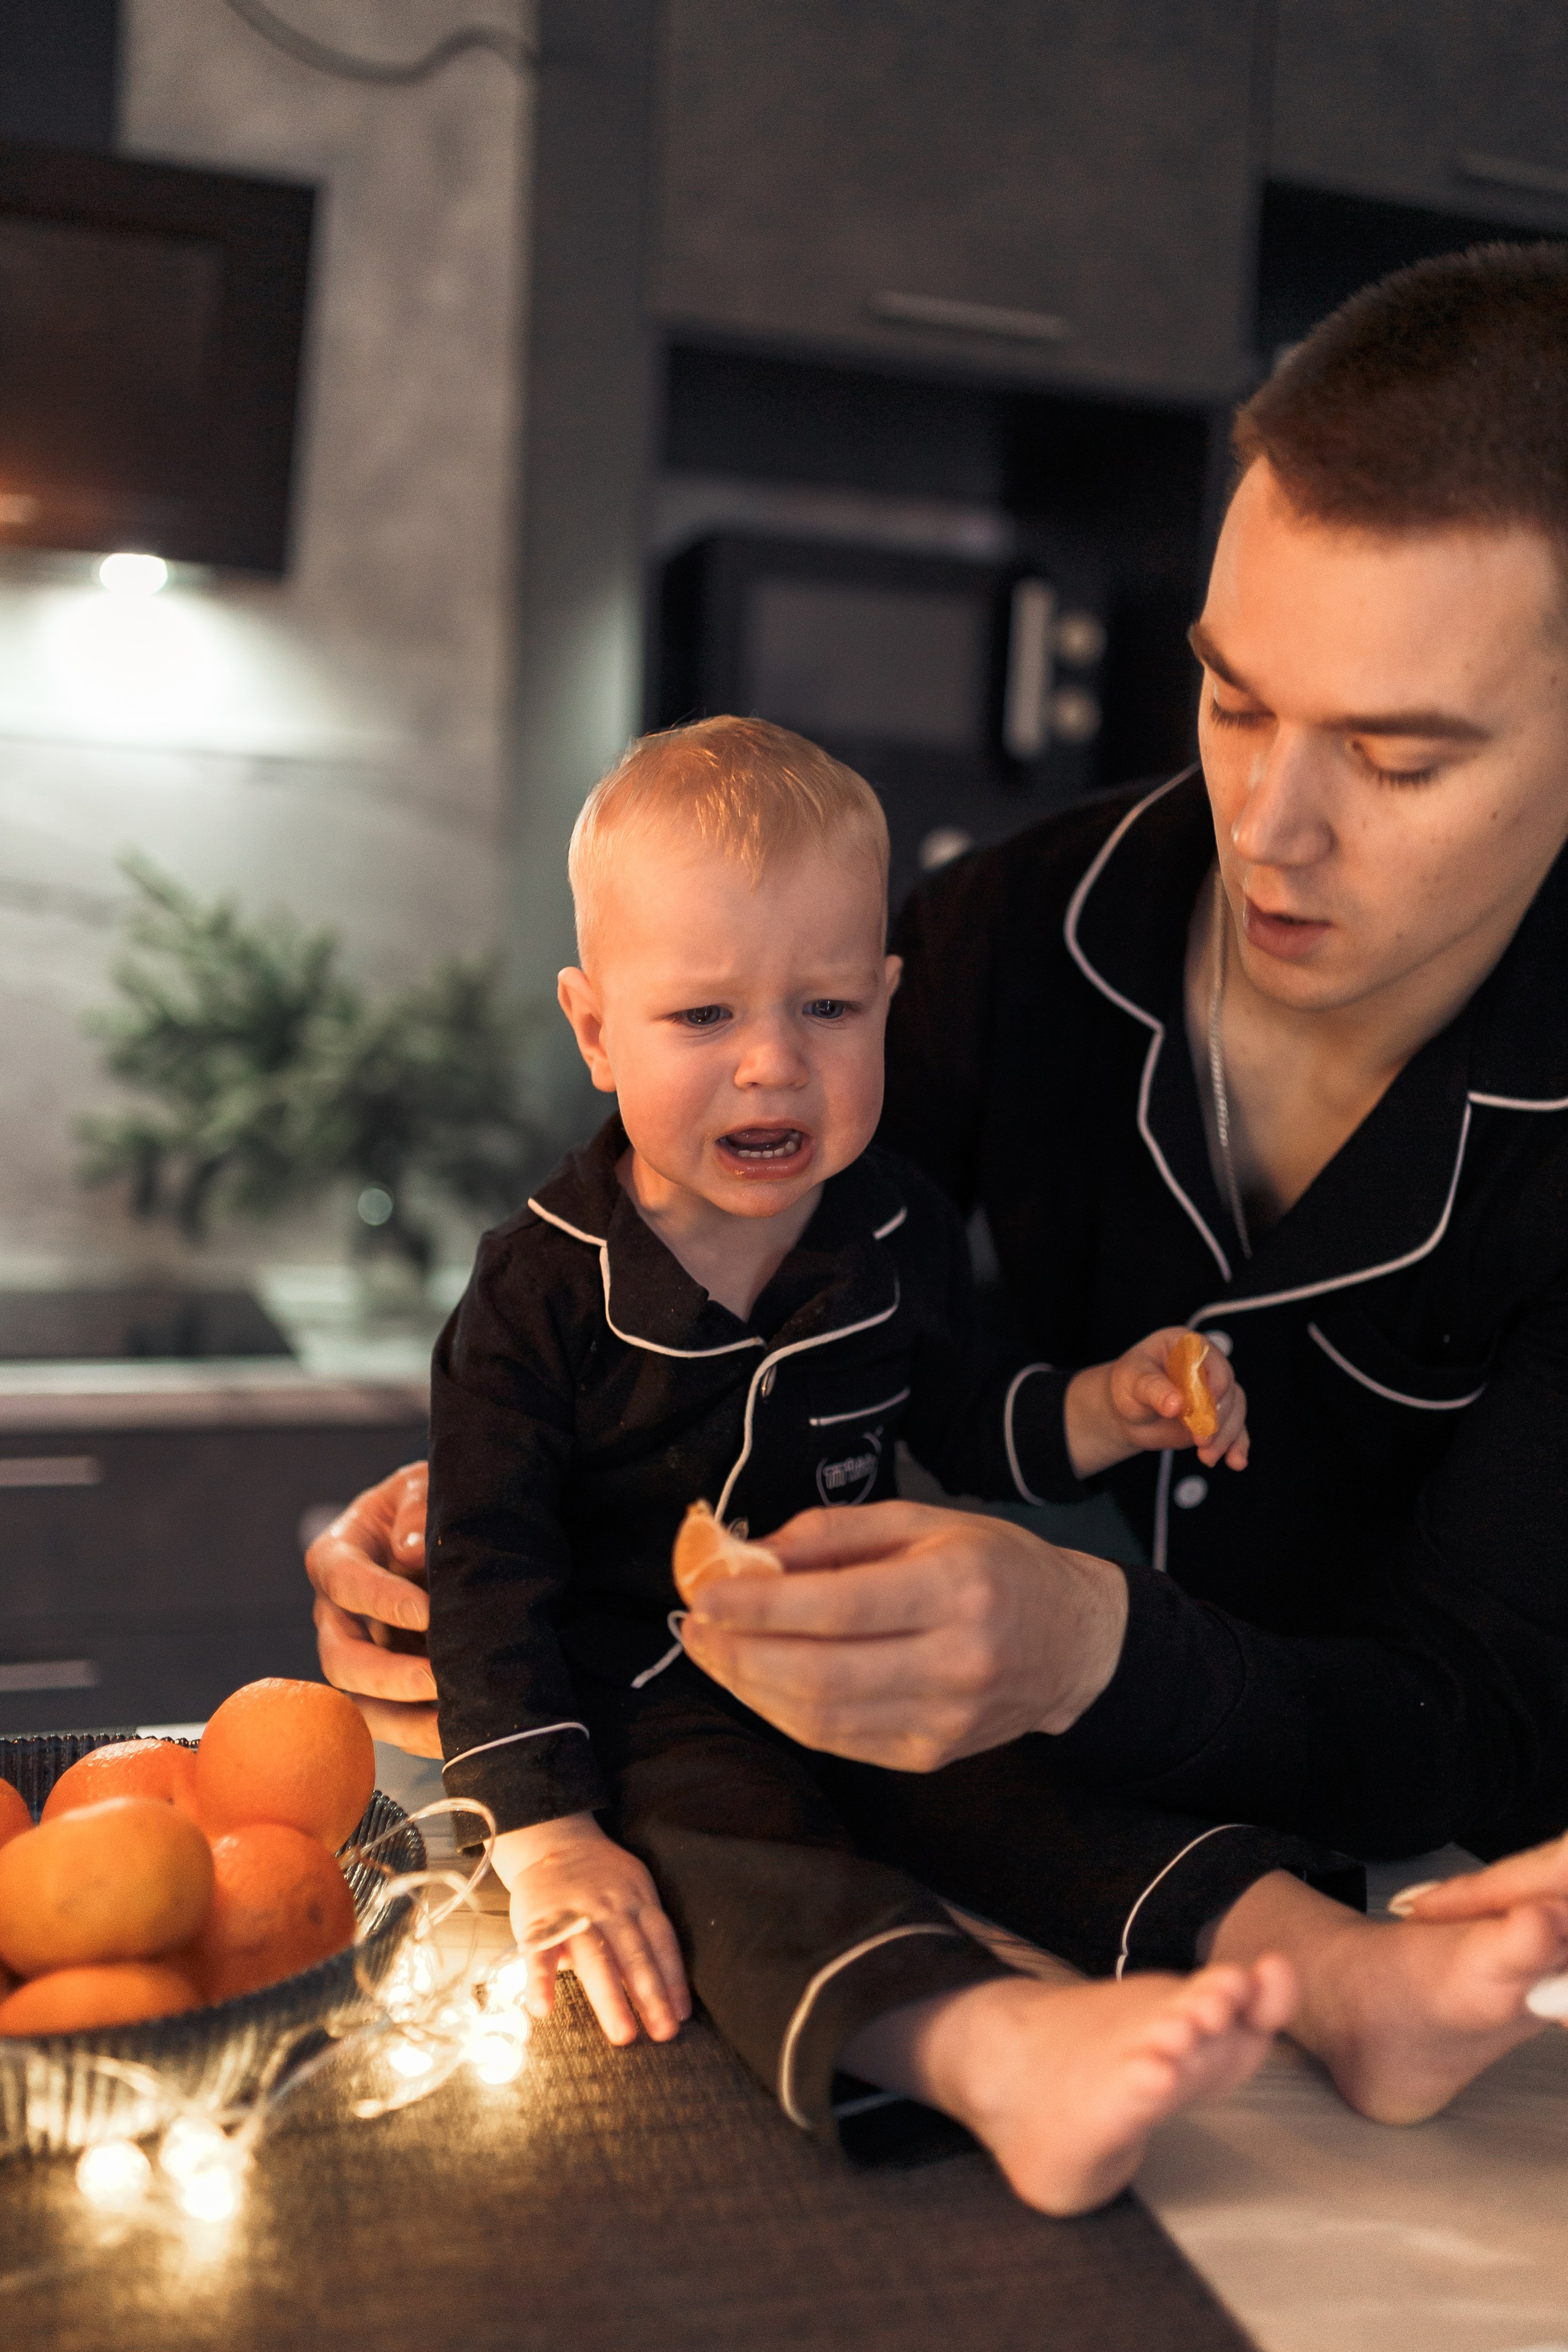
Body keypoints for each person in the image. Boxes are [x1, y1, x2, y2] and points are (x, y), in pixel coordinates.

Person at [311, 242, 1568, 2133]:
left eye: (1396, 757)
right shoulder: (1022, 926)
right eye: (1233, 703)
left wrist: (1088, 1644)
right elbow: (709, 1226)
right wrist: (472, 1523)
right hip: (998, 1890)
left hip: (1459, 1967)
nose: (1270, 828)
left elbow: (1480, 1726)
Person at [421, 712, 1291, 2218]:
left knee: (1017, 1769)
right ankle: (990, 2052)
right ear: (592, 1027)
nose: (772, 1066)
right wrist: (546, 1834)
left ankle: (1298, 1962)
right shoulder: (538, 1290)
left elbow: (966, 1416)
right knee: (731, 1862)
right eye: (701, 1020)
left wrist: (1115, 1400)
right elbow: (484, 1571)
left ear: (889, 1000)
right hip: (642, 1710)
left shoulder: (886, 1225)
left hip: (854, 1663)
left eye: (827, 1007)